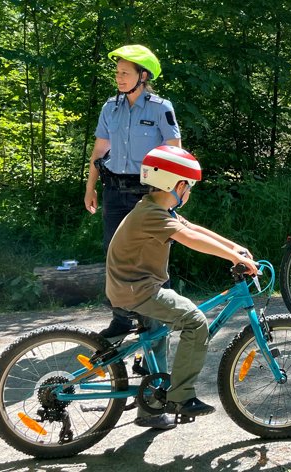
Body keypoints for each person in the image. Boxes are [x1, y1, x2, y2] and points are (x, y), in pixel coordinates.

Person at [106, 145, 258, 429]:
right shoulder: (153, 215)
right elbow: (189, 238)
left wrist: (234, 247)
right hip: (138, 291)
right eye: (188, 186)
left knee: (157, 339)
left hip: (133, 287)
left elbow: (194, 229)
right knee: (194, 321)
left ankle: (151, 409)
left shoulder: (155, 208)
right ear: (176, 185)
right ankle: (181, 397)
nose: (189, 192)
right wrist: (233, 258)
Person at [84, 44, 182, 338]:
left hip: (149, 193)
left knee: (152, 258)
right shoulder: (109, 108)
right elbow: (100, 149)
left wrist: (173, 193)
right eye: (117, 72)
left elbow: (174, 152)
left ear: (143, 75)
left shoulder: (161, 108)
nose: (119, 77)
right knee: (114, 255)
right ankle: (121, 319)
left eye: (125, 73)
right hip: (114, 192)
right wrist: (90, 186)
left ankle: (156, 324)